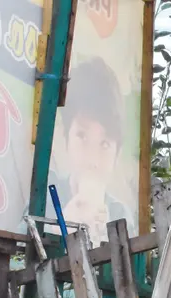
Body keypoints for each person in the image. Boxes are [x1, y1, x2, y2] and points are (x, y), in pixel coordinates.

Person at [48, 57, 132, 244]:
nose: (92, 159)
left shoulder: (121, 216)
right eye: (82, 137)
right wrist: (58, 229)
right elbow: (17, 260)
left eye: (104, 144)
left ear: (116, 154)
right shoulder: (44, 197)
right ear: (66, 137)